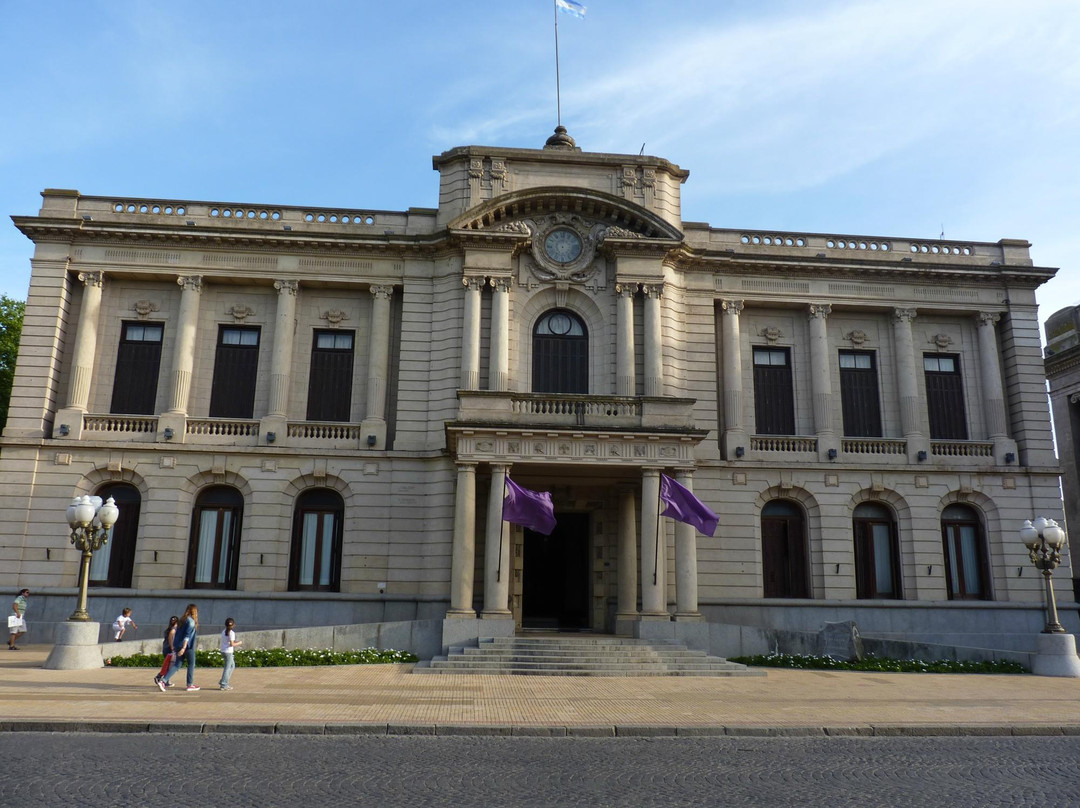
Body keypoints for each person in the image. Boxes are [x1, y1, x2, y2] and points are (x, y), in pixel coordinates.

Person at [158, 603, 199, 692]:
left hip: (177, 645)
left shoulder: (182, 620)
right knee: (191, 664)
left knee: (177, 665)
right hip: (187, 646)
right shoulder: (191, 621)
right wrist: (184, 648)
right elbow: (187, 636)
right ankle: (190, 684)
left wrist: (176, 646)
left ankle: (163, 681)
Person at [154, 616, 180, 688]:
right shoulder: (173, 629)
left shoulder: (168, 629)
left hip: (166, 648)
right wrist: (172, 647)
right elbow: (170, 637)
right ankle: (160, 677)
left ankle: (165, 680)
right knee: (171, 666)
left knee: (168, 665)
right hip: (170, 649)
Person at [218, 617, 242, 691]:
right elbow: (232, 644)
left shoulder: (224, 631)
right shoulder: (231, 633)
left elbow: (228, 642)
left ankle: (223, 680)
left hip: (224, 650)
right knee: (228, 668)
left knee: (232, 666)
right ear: (233, 625)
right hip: (228, 652)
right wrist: (239, 643)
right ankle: (224, 684)